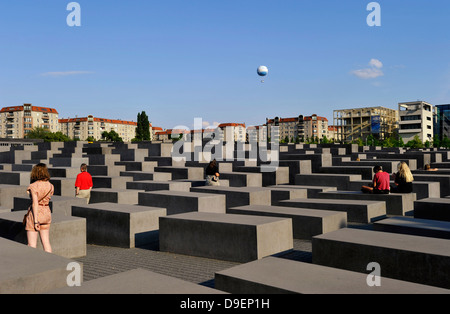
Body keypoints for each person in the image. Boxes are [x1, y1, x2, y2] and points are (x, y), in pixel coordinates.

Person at [24, 163, 54, 253]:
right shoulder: (50, 186)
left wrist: (36, 220)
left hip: (35, 214)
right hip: (47, 212)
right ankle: (50, 261)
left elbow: (35, 204)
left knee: (31, 245)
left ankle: (33, 265)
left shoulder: (33, 186)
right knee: (46, 242)